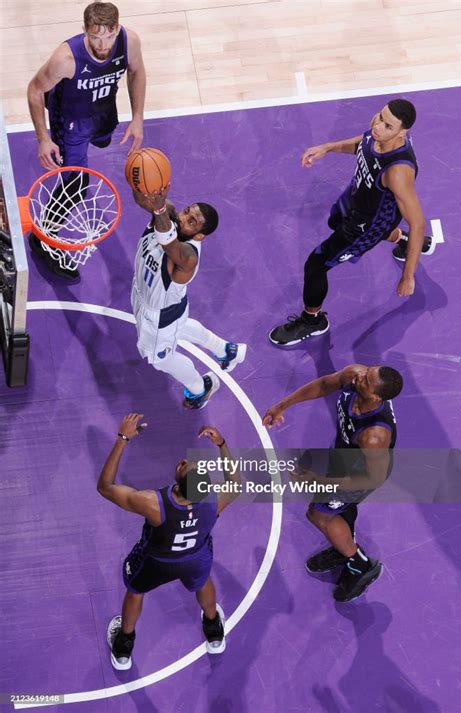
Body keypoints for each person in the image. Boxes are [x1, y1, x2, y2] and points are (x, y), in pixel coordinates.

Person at [269, 98, 434, 346]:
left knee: (315, 265)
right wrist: (327, 147)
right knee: (335, 220)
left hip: (366, 226)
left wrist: (408, 276)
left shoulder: (398, 172)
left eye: (388, 126)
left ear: (403, 132)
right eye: (380, 117)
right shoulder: (378, 132)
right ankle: (402, 239)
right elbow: (362, 144)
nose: (378, 126)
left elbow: (418, 222)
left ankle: (313, 320)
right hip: (357, 199)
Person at [97, 413, 240, 669]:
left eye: (185, 464)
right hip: (195, 558)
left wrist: (122, 439)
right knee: (203, 582)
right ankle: (213, 630)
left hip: (156, 561)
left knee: (135, 591)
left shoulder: (153, 504)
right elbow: (236, 483)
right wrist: (222, 445)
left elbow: (105, 487)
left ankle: (123, 647)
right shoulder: (215, 499)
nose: (185, 460)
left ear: (177, 477)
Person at [262, 363, 403, 602]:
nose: (360, 378)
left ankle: (360, 565)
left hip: (360, 475)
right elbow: (325, 384)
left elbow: (374, 478)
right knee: (337, 512)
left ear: (376, 397)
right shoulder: (354, 376)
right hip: (342, 456)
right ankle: (343, 547)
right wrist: (281, 405)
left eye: (367, 381)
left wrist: (320, 481)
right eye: (366, 374)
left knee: (318, 515)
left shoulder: (375, 435)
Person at [27, 1, 146, 280]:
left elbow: (137, 71)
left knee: (104, 141)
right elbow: (33, 89)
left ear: (117, 28)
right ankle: (43, 237)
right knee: (77, 185)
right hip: (71, 121)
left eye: (108, 36)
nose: (102, 44)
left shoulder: (130, 42)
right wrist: (43, 138)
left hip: (102, 109)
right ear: (84, 31)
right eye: (95, 37)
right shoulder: (66, 57)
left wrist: (138, 116)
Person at [131, 186, 246, 410]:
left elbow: (169, 243)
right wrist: (139, 181)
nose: (184, 219)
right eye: (187, 212)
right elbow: (142, 200)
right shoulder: (169, 215)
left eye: (193, 222)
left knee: (161, 359)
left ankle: (198, 389)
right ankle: (226, 350)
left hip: (159, 317)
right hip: (150, 298)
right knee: (180, 326)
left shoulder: (188, 256)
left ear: (200, 235)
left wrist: (160, 209)